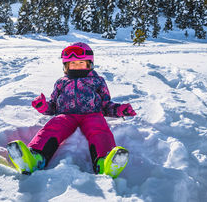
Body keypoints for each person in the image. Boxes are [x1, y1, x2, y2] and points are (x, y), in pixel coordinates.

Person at [8, 42, 136, 178]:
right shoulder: (61, 82)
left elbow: (105, 105)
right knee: (53, 126)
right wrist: (44, 107)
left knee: (99, 129)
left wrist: (120, 110)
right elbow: (53, 106)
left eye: (81, 62)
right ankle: (35, 157)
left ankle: (104, 162)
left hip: (92, 114)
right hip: (66, 115)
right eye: (72, 63)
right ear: (66, 66)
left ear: (89, 64)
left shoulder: (98, 81)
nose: (76, 66)